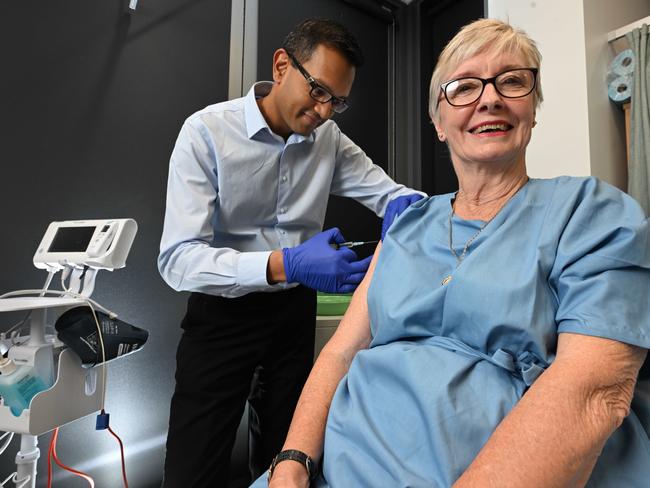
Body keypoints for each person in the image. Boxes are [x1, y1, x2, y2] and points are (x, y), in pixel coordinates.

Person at [253, 18, 650, 488]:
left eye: (513, 81)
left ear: (533, 110)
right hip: (337, 464)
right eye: (463, 87)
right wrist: (292, 461)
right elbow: (340, 353)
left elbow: (592, 390)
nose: (490, 98)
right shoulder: (407, 229)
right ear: (439, 123)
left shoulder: (592, 214)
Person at [157, 18, 424, 487]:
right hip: (222, 317)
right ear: (282, 65)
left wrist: (417, 208)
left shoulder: (329, 141)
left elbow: (390, 194)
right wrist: (287, 264)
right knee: (192, 469)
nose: (324, 111)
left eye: (336, 101)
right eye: (318, 91)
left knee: (289, 459)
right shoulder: (206, 133)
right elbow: (178, 259)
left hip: (293, 315)